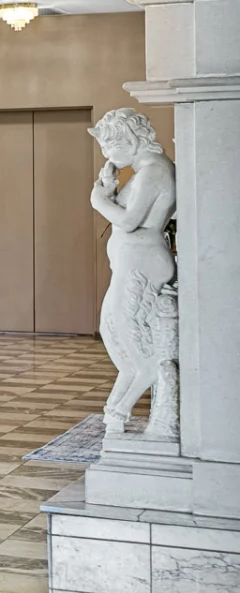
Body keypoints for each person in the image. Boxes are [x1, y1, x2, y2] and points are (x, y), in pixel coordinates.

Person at [88, 109, 179, 438]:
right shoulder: (146, 170)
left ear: (127, 140)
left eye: (108, 149)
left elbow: (128, 222)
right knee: (114, 332)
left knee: (134, 343)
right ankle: (115, 411)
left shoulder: (154, 170)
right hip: (132, 263)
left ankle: (118, 412)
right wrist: (110, 190)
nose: (107, 157)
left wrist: (98, 199)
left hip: (142, 263)